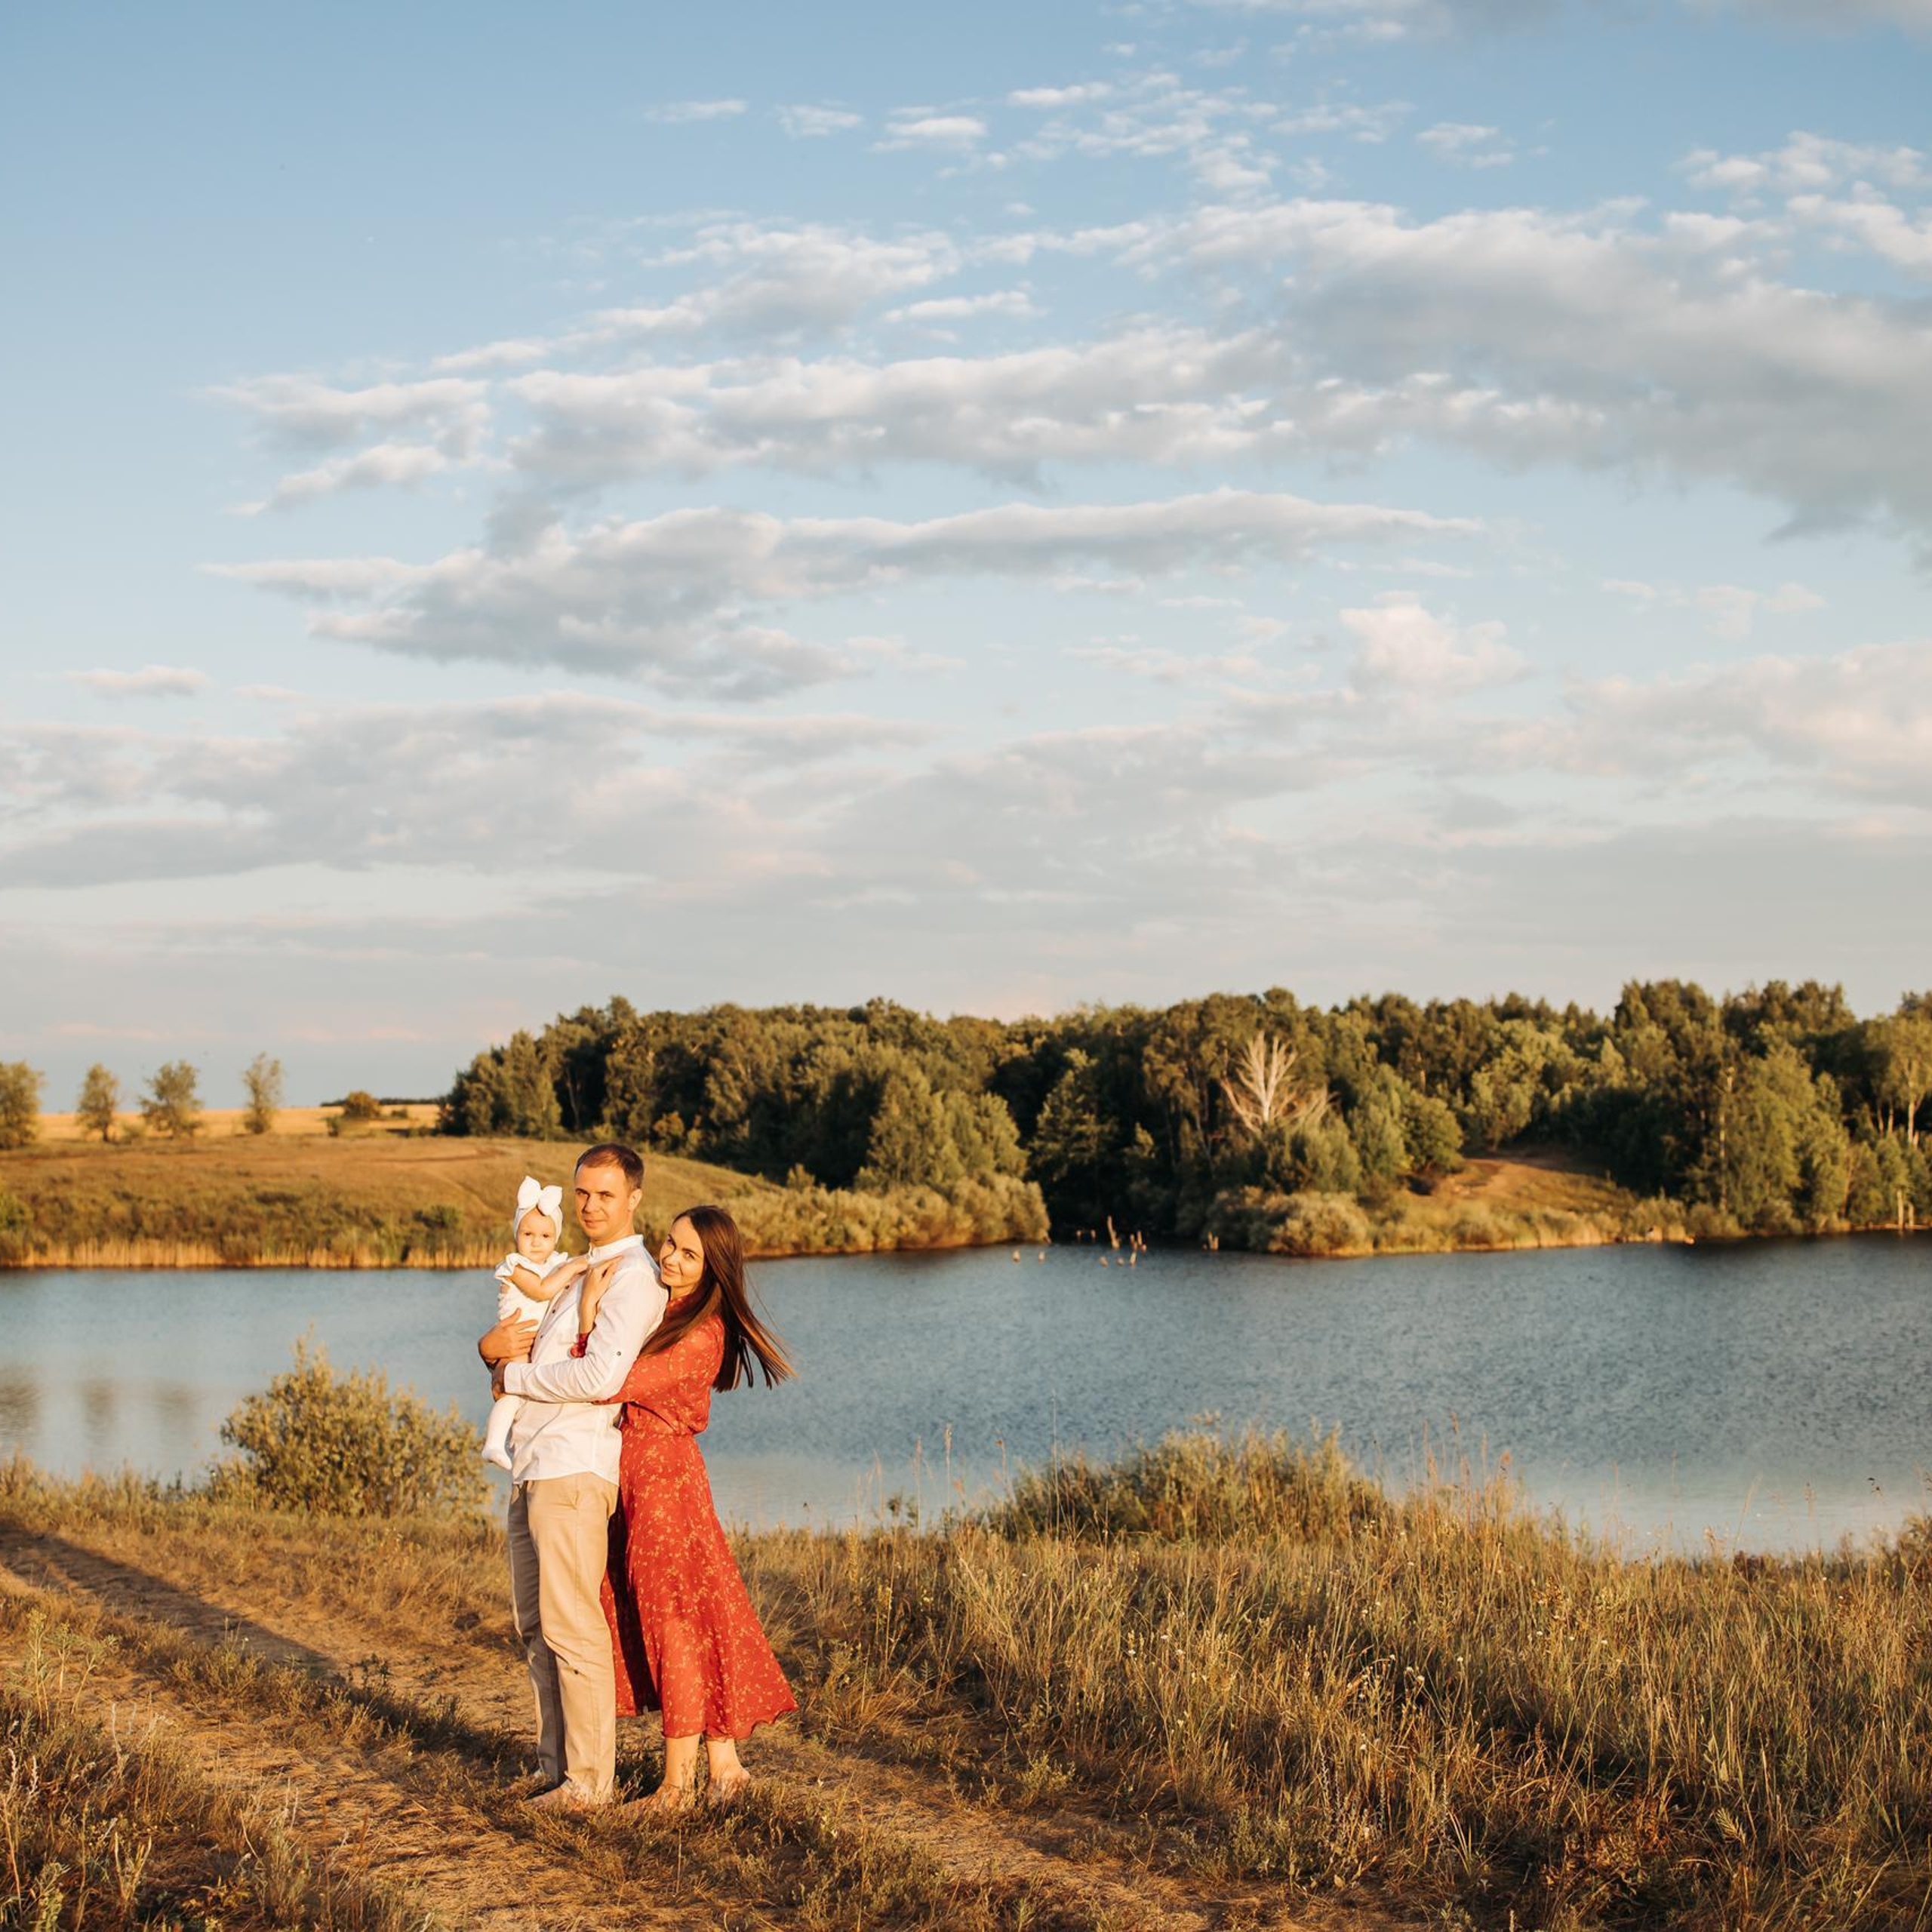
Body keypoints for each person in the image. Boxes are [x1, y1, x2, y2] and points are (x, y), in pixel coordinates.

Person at [476, 1143, 666, 1812]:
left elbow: (600, 1378)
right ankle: (554, 1768)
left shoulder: (635, 1276)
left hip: (575, 1469)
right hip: (533, 1465)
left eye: (605, 1196)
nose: (589, 1207)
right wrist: (494, 1356)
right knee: (535, 1627)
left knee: (572, 1627)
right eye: (582, 1194)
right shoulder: (575, 1266)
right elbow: (525, 1351)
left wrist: (513, 1375)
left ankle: (589, 1785)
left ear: (634, 1199)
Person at [596, 1203, 797, 1810]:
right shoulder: (673, 1311)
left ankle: (677, 1785)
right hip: (647, 1478)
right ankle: (723, 1765)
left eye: (689, 1255)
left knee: (674, 1620)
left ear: (714, 1269)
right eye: (670, 1243)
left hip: (664, 1484)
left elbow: (610, 1379)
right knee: (694, 1614)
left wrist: (586, 1317)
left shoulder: (701, 1331)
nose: (671, 1259)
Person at [480, 1176, 586, 1472]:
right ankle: (494, 1443)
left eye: (545, 1236)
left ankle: (515, 1444)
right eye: (527, 1234)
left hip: (530, 1341)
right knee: (511, 1391)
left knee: (523, 1394)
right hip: (516, 1336)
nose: (536, 1242)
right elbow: (542, 1290)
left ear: (555, 1238)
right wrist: (575, 1267)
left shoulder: (552, 1264)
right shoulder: (516, 1266)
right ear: (516, 1235)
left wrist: (577, 1265)